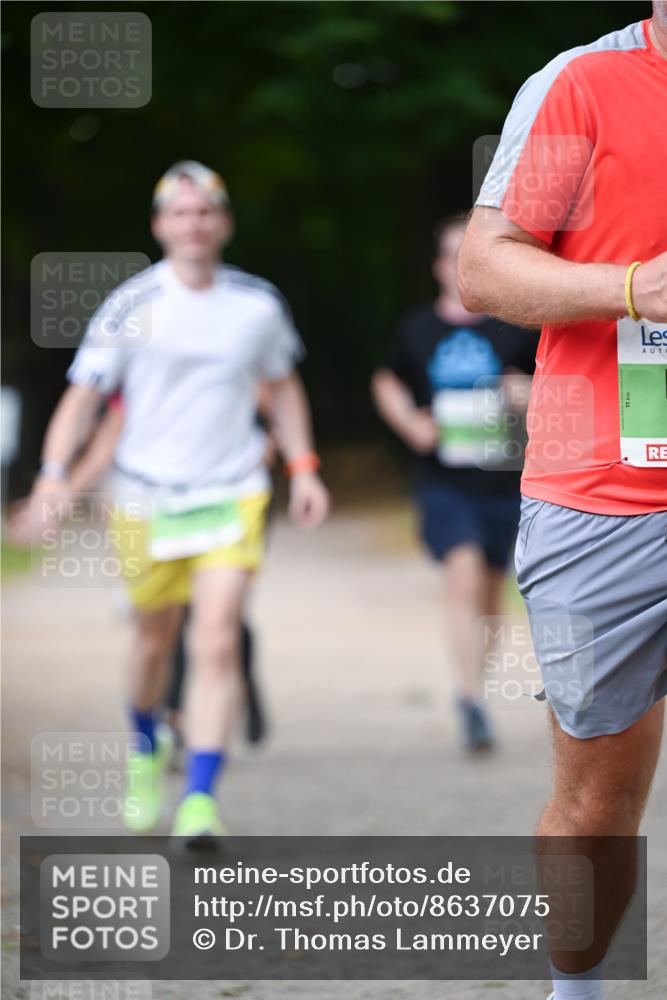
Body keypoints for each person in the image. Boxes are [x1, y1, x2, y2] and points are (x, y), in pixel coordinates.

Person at [15, 161, 329, 843]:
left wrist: (303, 468)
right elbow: (84, 397)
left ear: (224, 222)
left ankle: (199, 800)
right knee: (154, 638)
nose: (194, 224)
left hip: (232, 491)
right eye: (180, 213)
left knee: (215, 638)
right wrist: (50, 476)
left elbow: (283, 389)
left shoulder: (257, 304)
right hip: (144, 499)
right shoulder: (131, 304)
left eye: (206, 211)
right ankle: (144, 742)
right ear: (160, 225)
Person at [457, 5, 667, 999]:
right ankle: (573, 986)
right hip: (607, 495)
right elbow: (488, 263)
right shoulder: (581, 86)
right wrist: (630, 287)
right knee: (596, 804)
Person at [372, 215, 538, 751]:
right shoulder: (418, 329)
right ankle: (469, 700)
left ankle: (476, 689)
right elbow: (387, 381)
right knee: (462, 570)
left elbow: (554, 392)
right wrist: (409, 423)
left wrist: (524, 395)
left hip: (502, 482)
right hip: (442, 480)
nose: (458, 264)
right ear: (440, 266)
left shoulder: (515, 326)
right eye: (449, 254)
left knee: (490, 595)